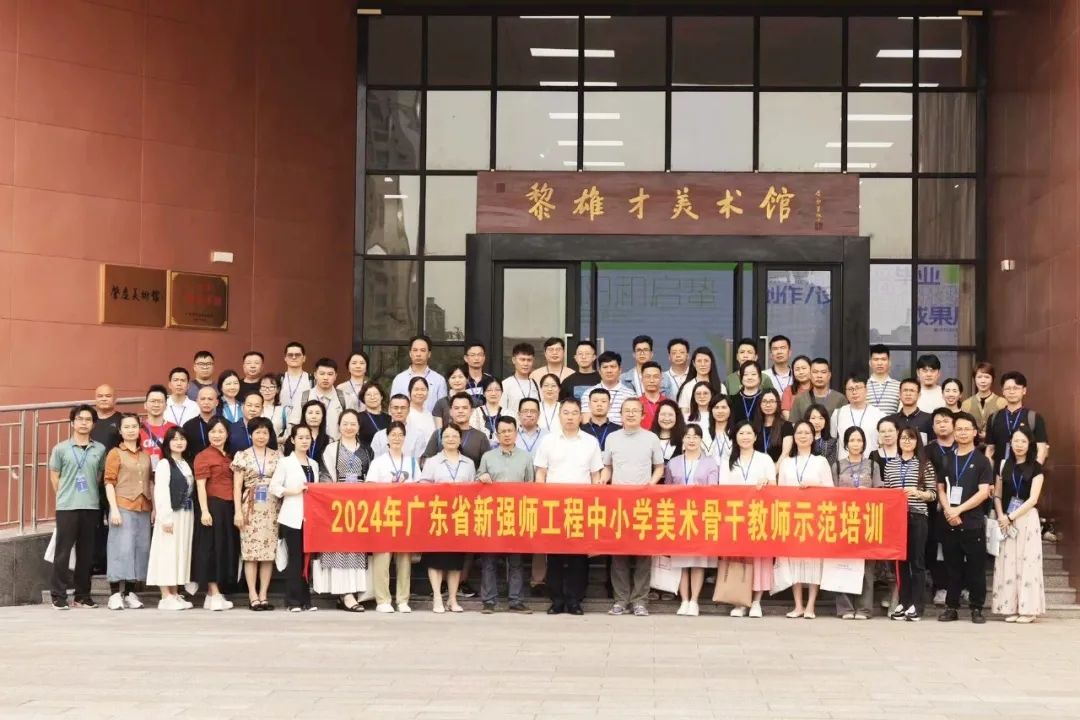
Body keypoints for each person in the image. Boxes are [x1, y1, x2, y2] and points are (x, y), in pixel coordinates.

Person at [534, 398, 603, 615]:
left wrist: (594, 504)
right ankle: (556, 600)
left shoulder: (590, 442)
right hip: (553, 506)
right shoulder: (548, 441)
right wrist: (541, 501)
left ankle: (574, 600)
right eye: (566, 412)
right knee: (554, 555)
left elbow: (596, 475)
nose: (570, 417)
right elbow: (541, 473)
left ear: (581, 417)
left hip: (581, 507)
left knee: (578, 556)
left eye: (574, 413)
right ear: (559, 416)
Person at [601, 398, 664, 617]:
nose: (630, 414)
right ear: (620, 414)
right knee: (619, 554)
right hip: (618, 504)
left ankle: (640, 601)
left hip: (643, 503)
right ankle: (620, 600)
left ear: (643, 415)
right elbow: (607, 467)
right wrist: (603, 481)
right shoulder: (612, 438)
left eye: (635, 411)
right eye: (626, 411)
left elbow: (659, 467)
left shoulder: (651, 438)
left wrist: (651, 485)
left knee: (643, 554)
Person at [48, 405, 108, 610]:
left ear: (93, 424)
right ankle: (58, 595)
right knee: (63, 552)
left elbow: (98, 476)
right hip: (67, 507)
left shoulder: (99, 449)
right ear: (72, 423)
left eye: (88, 419)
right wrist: (65, 496)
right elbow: (55, 477)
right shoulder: (61, 448)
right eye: (80, 419)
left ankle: (82, 595)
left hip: (91, 506)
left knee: (86, 554)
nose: (84, 423)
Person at [937, 412, 992, 624]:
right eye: (958, 429)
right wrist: (948, 510)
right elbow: (941, 488)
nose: (962, 432)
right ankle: (951, 607)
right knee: (952, 568)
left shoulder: (982, 461)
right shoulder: (947, 458)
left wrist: (958, 510)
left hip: (972, 522)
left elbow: (983, 492)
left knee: (976, 568)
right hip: (950, 521)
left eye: (966, 429)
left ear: (975, 432)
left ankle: (977, 608)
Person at [314, 410, 372, 612]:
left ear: (359, 426)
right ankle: (344, 593)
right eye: (345, 423)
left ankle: (355, 591)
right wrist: (335, 496)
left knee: (357, 548)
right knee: (339, 547)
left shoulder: (366, 450)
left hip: (360, 506)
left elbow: (371, 476)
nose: (349, 427)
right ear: (339, 426)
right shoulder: (331, 449)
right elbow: (325, 476)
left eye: (353, 424)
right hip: (337, 506)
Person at [477, 417, 535, 614]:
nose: (507, 435)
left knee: (516, 561)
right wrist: (482, 477)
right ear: (497, 434)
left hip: (517, 515)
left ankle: (516, 600)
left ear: (516, 433)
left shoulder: (526, 457)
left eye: (510, 431)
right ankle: (489, 601)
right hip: (492, 516)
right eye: (503, 431)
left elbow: (531, 486)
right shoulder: (488, 457)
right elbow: (477, 480)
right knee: (489, 560)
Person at [777, 420, 834, 618]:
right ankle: (798, 605)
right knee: (794, 561)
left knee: (813, 560)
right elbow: (780, 491)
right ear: (793, 437)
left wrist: (814, 485)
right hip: (791, 517)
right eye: (799, 433)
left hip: (814, 518)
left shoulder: (821, 461)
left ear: (813, 437)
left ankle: (810, 606)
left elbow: (831, 489)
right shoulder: (786, 462)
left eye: (807, 433)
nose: (803, 436)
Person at [880, 427, 937, 621]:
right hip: (897, 518)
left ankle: (917, 605)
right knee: (901, 562)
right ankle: (904, 602)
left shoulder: (924, 464)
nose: (906, 441)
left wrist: (918, 493)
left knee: (917, 562)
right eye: (903, 438)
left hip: (917, 515)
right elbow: (887, 493)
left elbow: (933, 494)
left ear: (917, 442)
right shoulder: (890, 465)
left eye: (911, 438)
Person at [663, 424, 719, 617]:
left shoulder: (710, 463)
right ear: (683, 440)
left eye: (695, 436)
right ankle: (684, 600)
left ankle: (694, 601)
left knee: (697, 561)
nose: (691, 440)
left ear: (701, 440)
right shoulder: (674, 463)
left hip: (700, 516)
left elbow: (713, 489)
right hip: (678, 516)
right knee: (681, 561)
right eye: (688, 436)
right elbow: (667, 489)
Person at [418, 424, 475, 613]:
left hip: (459, 516)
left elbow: (473, 489)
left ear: (460, 439)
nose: (451, 439)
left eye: (454, 436)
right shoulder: (432, 462)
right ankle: (437, 597)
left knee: (455, 561)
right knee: (435, 558)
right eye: (447, 436)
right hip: (438, 516)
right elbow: (424, 486)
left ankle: (452, 598)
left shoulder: (468, 463)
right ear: (441, 440)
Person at [722, 421, 777, 618]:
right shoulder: (728, 460)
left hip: (758, 515)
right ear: (735, 437)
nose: (745, 437)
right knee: (739, 558)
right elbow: (722, 489)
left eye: (748, 433)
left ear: (755, 437)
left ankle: (756, 601)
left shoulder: (765, 459)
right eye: (741, 433)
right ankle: (740, 602)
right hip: (736, 516)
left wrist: (767, 483)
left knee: (759, 558)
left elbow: (774, 487)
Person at [991, 426, 1046, 623]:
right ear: (1010, 443)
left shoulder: (1036, 467)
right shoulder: (1003, 465)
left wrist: (1011, 516)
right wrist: (1001, 516)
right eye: (1016, 441)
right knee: (1008, 563)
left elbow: (1033, 499)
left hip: (1026, 518)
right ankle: (1011, 607)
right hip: (1005, 519)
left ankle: (1029, 609)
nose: (1019, 445)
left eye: (1023, 441)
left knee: (1027, 562)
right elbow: (997, 494)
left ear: (1029, 444)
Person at [231, 416, 282, 611]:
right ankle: (252, 595)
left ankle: (263, 595)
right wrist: (237, 511)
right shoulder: (242, 455)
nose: (261, 436)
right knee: (250, 553)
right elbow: (237, 486)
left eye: (265, 432)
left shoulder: (277, 455)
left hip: (272, 507)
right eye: (257, 432)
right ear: (251, 434)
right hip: (250, 507)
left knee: (268, 553)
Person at [103, 414, 152, 611]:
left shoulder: (145, 455)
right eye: (127, 427)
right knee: (120, 549)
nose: (131, 430)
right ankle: (115, 594)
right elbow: (109, 482)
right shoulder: (115, 453)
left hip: (143, 507)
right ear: (120, 431)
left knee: (139, 549)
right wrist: (113, 509)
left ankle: (130, 593)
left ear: (139, 429)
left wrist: (154, 508)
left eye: (134, 426)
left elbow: (150, 482)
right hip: (122, 506)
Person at [366, 420, 415, 613]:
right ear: (387, 437)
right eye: (393, 435)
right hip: (383, 514)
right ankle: (383, 600)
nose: (396, 438)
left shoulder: (411, 462)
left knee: (404, 560)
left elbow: (419, 488)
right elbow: (370, 487)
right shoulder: (378, 462)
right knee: (382, 559)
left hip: (405, 515)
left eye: (400, 435)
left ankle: (403, 600)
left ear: (405, 438)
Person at [270, 424, 320, 612]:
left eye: (307, 437)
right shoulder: (285, 462)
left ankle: (306, 600)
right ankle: (293, 601)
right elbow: (274, 487)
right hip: (292, 516)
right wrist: (294, 491)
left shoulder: (313, 464)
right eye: (300, 437)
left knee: (307, 559)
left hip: (310, 518)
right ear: (292, 440)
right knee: (295, 558)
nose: (304, 441)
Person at [191, 417, 238, 612]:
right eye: (213, 432)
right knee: (211, 549)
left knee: (222, 549)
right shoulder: (203, 456)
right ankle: (214, 592)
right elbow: (200, 486)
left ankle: (212, 596)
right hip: (212, 506)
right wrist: (204, 511)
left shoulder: (230, 455)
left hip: (228, 507)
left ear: (227, 434)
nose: (217, 435)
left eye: (221, 431)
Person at [145, 427, 195, 610]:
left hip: (186, 515)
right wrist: (165, 518)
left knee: (178, 553)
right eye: (174, 439)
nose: (179, 442)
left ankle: (174, 593)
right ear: (167, 443)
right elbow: (161, 492)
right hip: (171, 514)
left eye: (182, 438)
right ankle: (165, 596)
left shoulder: (186, 463)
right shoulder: (165, 464)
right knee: (166, 552)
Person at [832, 426, 877, 620]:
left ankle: (864, 609)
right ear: (846, 444)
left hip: (867, 521)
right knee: (843, 564)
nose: (856, 444)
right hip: (843, 520)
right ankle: (845, 608)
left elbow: (880, 492)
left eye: (859, 440)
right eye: (852, 440)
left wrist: (869, 494)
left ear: (864, 443)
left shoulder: (872, 465)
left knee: (866, 567)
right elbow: (830, 493)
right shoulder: (837, 466)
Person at [924, 408, 956, 606]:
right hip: (934, 506)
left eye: (946, 421)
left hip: (961, 505)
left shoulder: (962, 446)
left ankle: (961, 587)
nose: (942, 425)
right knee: (935, 546)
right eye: (938, 422)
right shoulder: (927, 450)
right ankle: (940, 587)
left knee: (957, 546)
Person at [985, 371, 1049, 465]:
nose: (1012, 392)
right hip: (999, 472)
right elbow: (990, 449)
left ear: (1024, 390)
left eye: (1016, 388)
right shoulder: (994, 418)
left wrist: (1035, 470)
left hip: (1026, 472)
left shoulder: (1035, 418)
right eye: (1008, 388)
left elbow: (1042, 449)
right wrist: (989, 471)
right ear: (1003, 391)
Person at [422, 392, 490, 469]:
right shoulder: (439, 434)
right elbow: (426, 461)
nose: (460, 411)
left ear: (471, 411)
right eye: (456, 408)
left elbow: (487, 465)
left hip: (471, 476)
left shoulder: (480, 437)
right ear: (450, 412)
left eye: (465, 408)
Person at [289, 357, 347, 439]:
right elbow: (294, 425)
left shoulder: (344, 398)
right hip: (309, 445)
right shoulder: (303, 397)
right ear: (315, 375)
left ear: (335, 376)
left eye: (330, 374)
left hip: (336, 445)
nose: (325, 378)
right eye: (322, 374)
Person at [390, 334, 447, 412]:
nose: (418, 354)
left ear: (429, 354)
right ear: (410, 353)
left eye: (422, 350)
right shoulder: (399, 379)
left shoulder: (439, 380)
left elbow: (443, 410)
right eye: (415, 350)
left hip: (431, 419)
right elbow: (393, 408)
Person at [831, 374, 885, 452]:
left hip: (870, 459)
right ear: (845, 392)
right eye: (850, 389)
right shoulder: (838, 414)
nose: (854, 392)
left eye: (858, 388)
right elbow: (833, 440)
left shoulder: (879, 415)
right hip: (844, 459)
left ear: (866, 390)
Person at [960, 361, 1006, 443]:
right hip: (972, 445)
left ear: (992, 379)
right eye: (979, 377)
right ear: (974, 379)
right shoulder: (966, 404)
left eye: (987, 377)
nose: (983, 381)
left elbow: (1004, 428)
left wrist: (989, 435)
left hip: (995, 445)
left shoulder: (1002, 402)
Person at [585, 351, 634, 425]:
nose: (609, 371)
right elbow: (586, 423)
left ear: (620, 370)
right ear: (599, 371)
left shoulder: (630, 395)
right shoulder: (588, 393)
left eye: (613, 367)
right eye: (605, 367)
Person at [676, 347, 725, 416]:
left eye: (706, 361)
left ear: (711, 363)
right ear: (694, 363)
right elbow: (683, 415)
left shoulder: (721, 387)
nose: (703, 364)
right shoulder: (687, 387)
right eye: (699, 361)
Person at [139, 385, 176, 470]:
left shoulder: (174, 429)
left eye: (160, 401)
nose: (156, 405)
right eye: (153, 401)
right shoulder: (137, 429)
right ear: (145, 405)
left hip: (168, 472)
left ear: (166, 406)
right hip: (143, 474)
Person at [283, 399, 331, 464]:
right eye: (310, 413)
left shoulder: (328, 440)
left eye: (317, 413)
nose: (314, 416)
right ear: (304, 415)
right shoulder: (293, 438)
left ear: (323, 416)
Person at [886, 378, 933, 443]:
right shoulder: (890, 420)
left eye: (912, 391)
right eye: (905, 390)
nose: (908, 394)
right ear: (899, 394)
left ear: (919, 395)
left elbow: (933, 444)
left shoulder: (929, 419)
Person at [753, 388, 793, 463]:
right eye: (764, 401)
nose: (768, 405)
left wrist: (773, 469)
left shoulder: (786, 426)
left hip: (779, 467)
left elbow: (785, 454)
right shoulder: (754, 427)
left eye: (772, 401)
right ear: (759, 404)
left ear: (778, 403)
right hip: (757, 468)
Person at [502, 343, 539, 421]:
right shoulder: (505, 384)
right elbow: (501, 410)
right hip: (513, 426)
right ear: (514, 360)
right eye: (522, 360)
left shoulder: (536, 385)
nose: (526, 364)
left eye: (529, 360)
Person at [182, 385, 220, 461]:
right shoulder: (188, 426)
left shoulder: (224, 424)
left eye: (210, 399)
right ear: (197, 401)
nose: (206, 402)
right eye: (203, 399)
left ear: (216, 402)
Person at [279, 341, 314, 418]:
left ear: (304, 358)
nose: (294, 357)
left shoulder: (312, 380)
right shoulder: (279, 379)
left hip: (304, 420)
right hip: (282, 420)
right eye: (290, 355)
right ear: (285, 358)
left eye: (297, 355)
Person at [469, 377, 506, 446]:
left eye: (497, 390)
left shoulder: (508, 413)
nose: (493, 393)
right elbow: (473, 436)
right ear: (483, 393)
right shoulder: (476, 413)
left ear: (502, 392)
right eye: (489, 390)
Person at [867, 344, 901, 415]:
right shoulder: (862, 386)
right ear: (870, 363)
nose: (879, 363)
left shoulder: (899, 386)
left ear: (889, 362)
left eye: (883, 359)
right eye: (876, 359)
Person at [433, 364, 470, 429]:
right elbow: (438, 431)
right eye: (453, 377)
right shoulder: (441, 403)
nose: (457, 380)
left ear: (467, 379)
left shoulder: (476, 402)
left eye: (460, 377)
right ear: (448, 380)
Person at [406, 376, 437, 448]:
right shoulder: (405, 413)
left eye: (423, 389)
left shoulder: (429, 414)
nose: (420, 393)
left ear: (427, 393)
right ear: (409, 392)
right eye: (416, 389)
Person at [90, 384, 123, 449]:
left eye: (108, 396)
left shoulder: (122, 419)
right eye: (100, 396)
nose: (104, 399)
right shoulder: (89, 419)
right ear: (95, 399)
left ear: (115, 399)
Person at [463, 342, 496, 407]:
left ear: (484, 357)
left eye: (480, 355)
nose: (476, 358)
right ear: (466, 358)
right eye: (473, 355)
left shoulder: (491, 380)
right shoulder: (461, 380)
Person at [357, 382, 390, 446]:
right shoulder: (358, 418)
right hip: (365, 452)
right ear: (363, 398)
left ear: (381, 397)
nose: (372, 397)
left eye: (376, 394)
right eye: (368, 395)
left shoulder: (389, 418)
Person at [780, 355, 812, 420]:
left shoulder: (818, 388)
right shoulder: (789, 390)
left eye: (804, 368)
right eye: (797, 369)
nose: (801, 372)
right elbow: (786, 414)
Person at [258, 373, 288, 441]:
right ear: (259, 389)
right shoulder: (254, 408)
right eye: (263, 387)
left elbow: (289, 433)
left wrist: (276, 440)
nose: (267, 390)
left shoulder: (284, 410)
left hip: (277, 445)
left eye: (271, 387)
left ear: (278, 390)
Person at [705, 395, 734, 464]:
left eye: (724, 407)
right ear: (711, 410)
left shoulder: (737, 433)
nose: (720, 411)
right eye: (716, 407)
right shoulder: (704, 433)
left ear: (730, 410)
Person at [638, 361, 667, 429]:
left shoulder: (669, 403)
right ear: (642, 379)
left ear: (661, 379)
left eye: (656, 377)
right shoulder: (636, 404)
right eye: (648, 377)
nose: (652, 381)